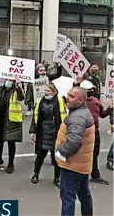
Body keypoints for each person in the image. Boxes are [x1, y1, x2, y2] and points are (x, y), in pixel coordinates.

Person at [55, 87, 95, 216]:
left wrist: (60, 152)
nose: (68, 97)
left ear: (81, 100)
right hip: (81, 164)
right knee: (84, 194)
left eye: (72, 96)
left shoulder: (77, 117)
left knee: (68, 198)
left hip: (72, 165)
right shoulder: (81, 112)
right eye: (68, 94)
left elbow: (73, 142)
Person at [29, 83, 67, 187]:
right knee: (40, 156)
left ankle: (57, 178)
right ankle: (36, 174)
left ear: (54, 92)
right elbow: (35, 117)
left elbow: (64, 116)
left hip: (56, 132)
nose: (46, 93)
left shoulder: (59, 100)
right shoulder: (39, 101)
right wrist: (32, 131)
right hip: (43, 132)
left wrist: (65, 131)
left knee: (56, 158)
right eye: (45, 91)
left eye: (48, 91)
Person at [0, 77, 24, 174]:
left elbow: (21, 97)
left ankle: (11, 163)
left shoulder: (16, 90)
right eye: (6, 79)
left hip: (10, 119)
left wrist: (18, 87)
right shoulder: (2, 89)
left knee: (11, 142)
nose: (7, 81)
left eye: (10, 80)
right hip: (0, 118)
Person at [81, 80, 112, 185]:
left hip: (95, 132)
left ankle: (95, 175)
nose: (91, 92)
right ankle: (80, 176)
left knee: (95, 154)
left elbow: (102, 114)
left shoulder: (95, 101)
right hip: (82, 133)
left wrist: (110, 109)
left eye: (91, 90)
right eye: (88, 90)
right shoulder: (79, 101)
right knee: (81, 155)